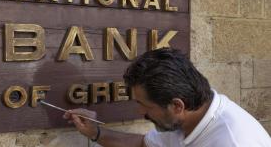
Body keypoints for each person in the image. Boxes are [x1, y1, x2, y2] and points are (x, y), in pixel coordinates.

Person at [63, 48, 271, 147]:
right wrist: (95, 131)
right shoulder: (191, 117)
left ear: (177, 105)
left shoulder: (233, 142)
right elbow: (143, 144)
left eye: (145, 105)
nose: (140, 112)